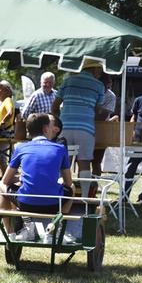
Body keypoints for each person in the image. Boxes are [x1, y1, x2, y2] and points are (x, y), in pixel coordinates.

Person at [0, 113, 74, 240]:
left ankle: (10, 232)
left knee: (1, 185)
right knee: (71, 186)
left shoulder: (21, 147)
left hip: (26, 204)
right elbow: (68, 182)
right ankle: (58, 228)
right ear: (45, 129)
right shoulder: (60, 148)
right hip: (53, 205)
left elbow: (5, 180)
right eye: (51, 126)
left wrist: (22, 179)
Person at [52, 59, 108, 198]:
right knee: (84, 163)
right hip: (86, 128)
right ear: (94, 69)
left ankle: (62, 197)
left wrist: (60, 121)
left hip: (64, 128)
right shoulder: (99, 85)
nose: (100, 73)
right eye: (99, 70)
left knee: (63, 163)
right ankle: (84, 198)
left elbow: (54, 107)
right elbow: (98, 110)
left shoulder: (67, 81)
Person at [0, 80, 16, 174]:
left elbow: (10, 112)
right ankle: (5, 180)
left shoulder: (7, 100)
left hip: (3, 134)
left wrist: (2, 123)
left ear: (7, 91)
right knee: (2, 160)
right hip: (2, 135)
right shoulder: (4, 102)